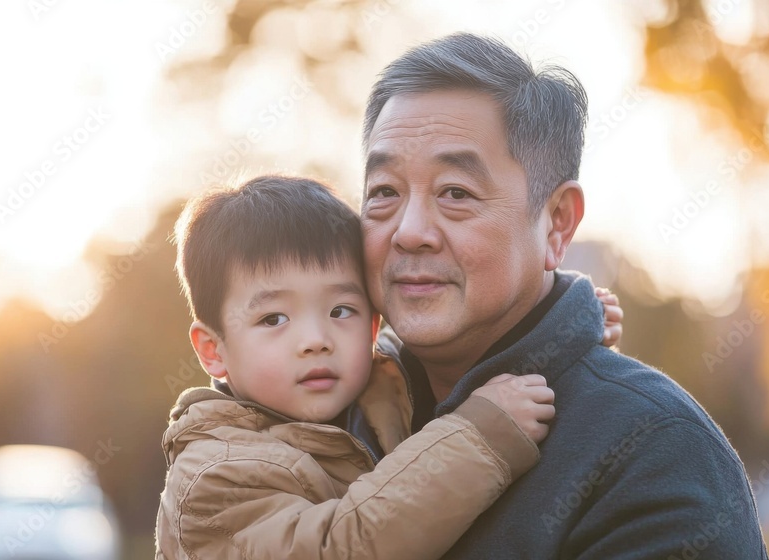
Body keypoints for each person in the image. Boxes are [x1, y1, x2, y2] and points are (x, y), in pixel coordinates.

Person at [359, 32, 768, 559]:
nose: (409, 231)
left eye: (455, 192)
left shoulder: (654, 451)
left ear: (557, 222)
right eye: (384, 192)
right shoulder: (319, 418)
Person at [154, 175, 621, 559]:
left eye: (341, 311)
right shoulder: (215, 476)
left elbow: (469, 339)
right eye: (273, 319)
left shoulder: (387, 384)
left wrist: (567, 322)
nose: (316, 340)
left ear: (374, 324)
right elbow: (343, 546)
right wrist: (480, 437)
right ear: (213, 350)